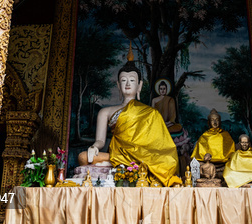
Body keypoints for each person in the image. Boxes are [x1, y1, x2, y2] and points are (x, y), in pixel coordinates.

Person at [77, 55, 181, 186]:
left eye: (132, 80)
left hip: (143, 156)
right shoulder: (106, 112)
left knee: (169, 161)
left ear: (139, 85)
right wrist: (94, 147)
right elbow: (100, 141)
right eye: (123, 80)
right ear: (118, 85)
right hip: (117, 155)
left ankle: (127, 166)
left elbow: (160, 145)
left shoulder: (151, 113)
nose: (127, 84)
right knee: (83, 157)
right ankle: (122, 165)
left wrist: (144, 156)